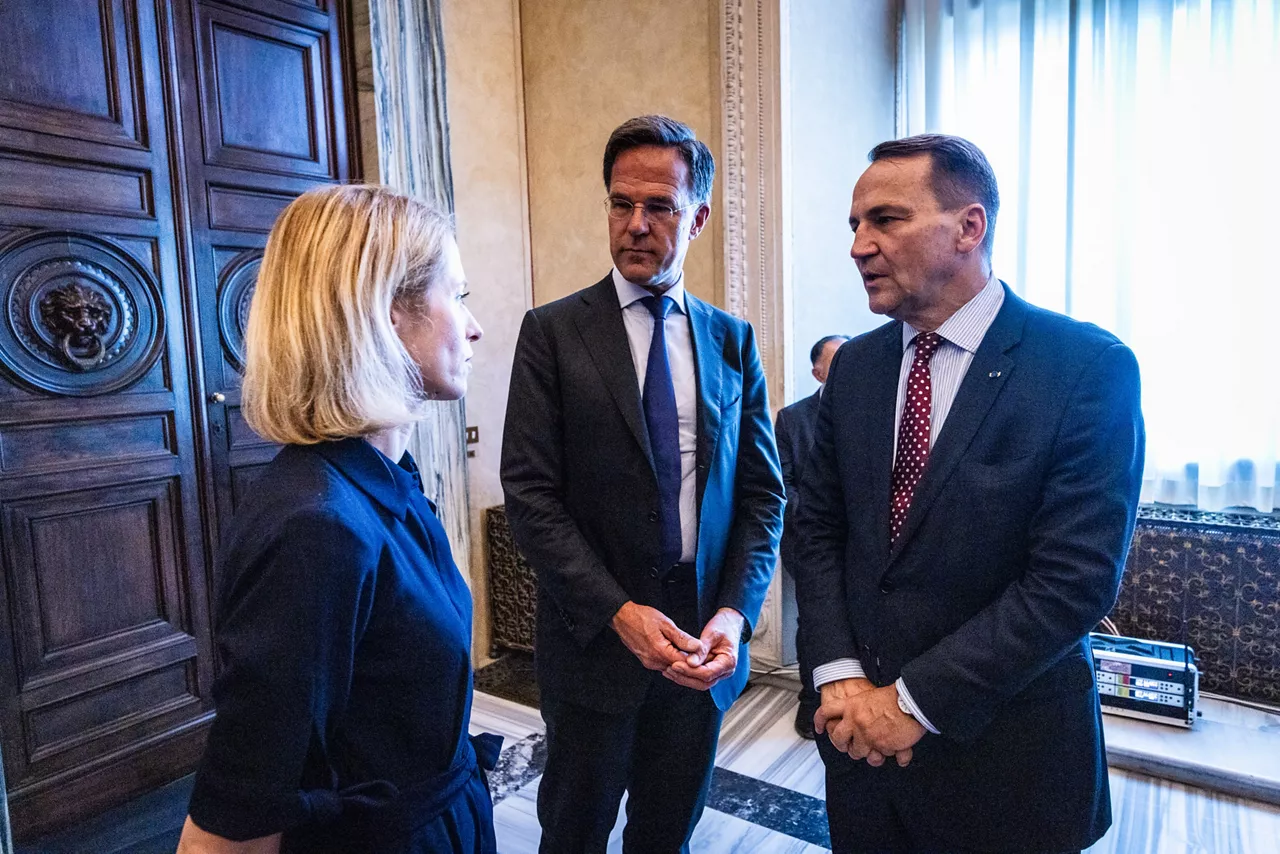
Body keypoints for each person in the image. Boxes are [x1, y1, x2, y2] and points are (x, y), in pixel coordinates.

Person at [795, 134, 1144, 854]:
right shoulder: (855, 369)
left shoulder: (1085, 367)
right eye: (854, 225)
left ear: (969, 227)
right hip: (860, 757)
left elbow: (1072, 583)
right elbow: (819, 531)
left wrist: (912, 702)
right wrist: (838, 677)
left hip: (1008, 764)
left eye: (885, 220)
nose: (859, 245)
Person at [175, 185, 494, 854]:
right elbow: (240, 811)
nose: (473, 326)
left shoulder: (383, 483)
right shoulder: (316, 526)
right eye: (456, 296)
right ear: (387, 315)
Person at [500, 115, 784, 853]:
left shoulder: (731, 341)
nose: (634, 225)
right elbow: (531, 496)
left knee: (666, 834)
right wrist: (618, 612)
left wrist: (735, 614)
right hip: (595, 643)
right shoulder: (553, 333)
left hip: (699, 648)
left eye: (658, 207)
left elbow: (762, 496)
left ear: (698, 217)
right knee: (574, 830)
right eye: (620, 203)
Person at [775, 334, 848, 739]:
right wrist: (823, 519)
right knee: (814, 622)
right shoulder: (792, 418)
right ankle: (811, 698)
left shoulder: (875, 410)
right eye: (835, 362)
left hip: (865, 543)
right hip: (809, 541)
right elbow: (782, 484)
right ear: (817, 370)